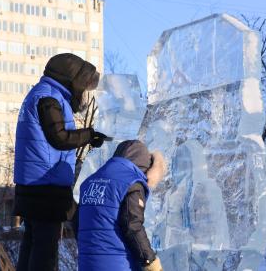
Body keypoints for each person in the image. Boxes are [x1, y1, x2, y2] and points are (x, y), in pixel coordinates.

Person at [14, 53, 108, 271]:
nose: (84, 93)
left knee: (32, 243)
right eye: (83, 86)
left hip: (34, 185)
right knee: (45, 248)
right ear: (71, 80)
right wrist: (89, 135)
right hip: (45, 185)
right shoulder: (49, 99)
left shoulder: (42, 94)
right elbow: (59, 137)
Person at [78, 140, 166, 271]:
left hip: (87, 263)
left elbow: (78, 224)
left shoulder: (89, 182)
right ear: (145, 167)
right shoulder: (132, 182)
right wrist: (150, 262)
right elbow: (132, 225)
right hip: (117, 263)